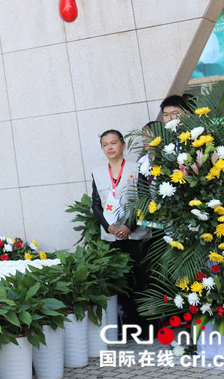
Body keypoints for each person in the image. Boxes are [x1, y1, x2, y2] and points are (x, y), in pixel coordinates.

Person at [90, 129, 150, 331]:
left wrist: (128, 226)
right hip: (112, 236)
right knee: (122, 282)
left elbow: (143, 200)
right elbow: (96, 204)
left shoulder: (136, 168)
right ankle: (129, 326)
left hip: (136, 234)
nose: (110, 147)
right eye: (105, 144)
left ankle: (146, 325)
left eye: (113, 143)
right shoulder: (98, 173)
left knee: (141, 278)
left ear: (122, 145)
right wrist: (110, 227)